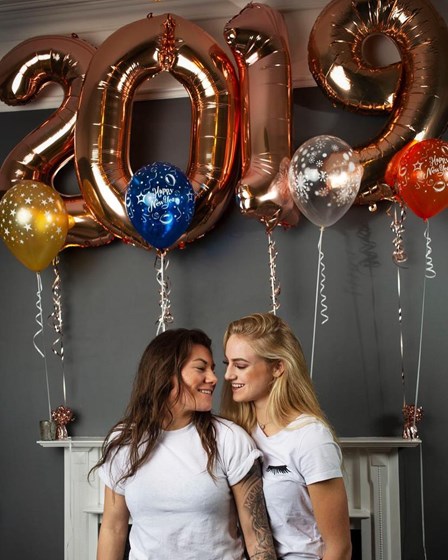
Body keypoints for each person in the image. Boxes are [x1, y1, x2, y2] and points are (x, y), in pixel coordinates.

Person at [92, 327, 276, 560]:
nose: (213, 378)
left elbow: (257, 539)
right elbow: (113, 528)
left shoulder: (231, 439)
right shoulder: (125, 441)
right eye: (201, 368)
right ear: (166, 373)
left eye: (212, 369)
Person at [221, 313, 352, 560]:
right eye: (227, 363)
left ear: (278, 367)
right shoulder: (237, 433)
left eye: (240, 365)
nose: (228, 375)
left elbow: (340, 548)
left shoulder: (311, 438)